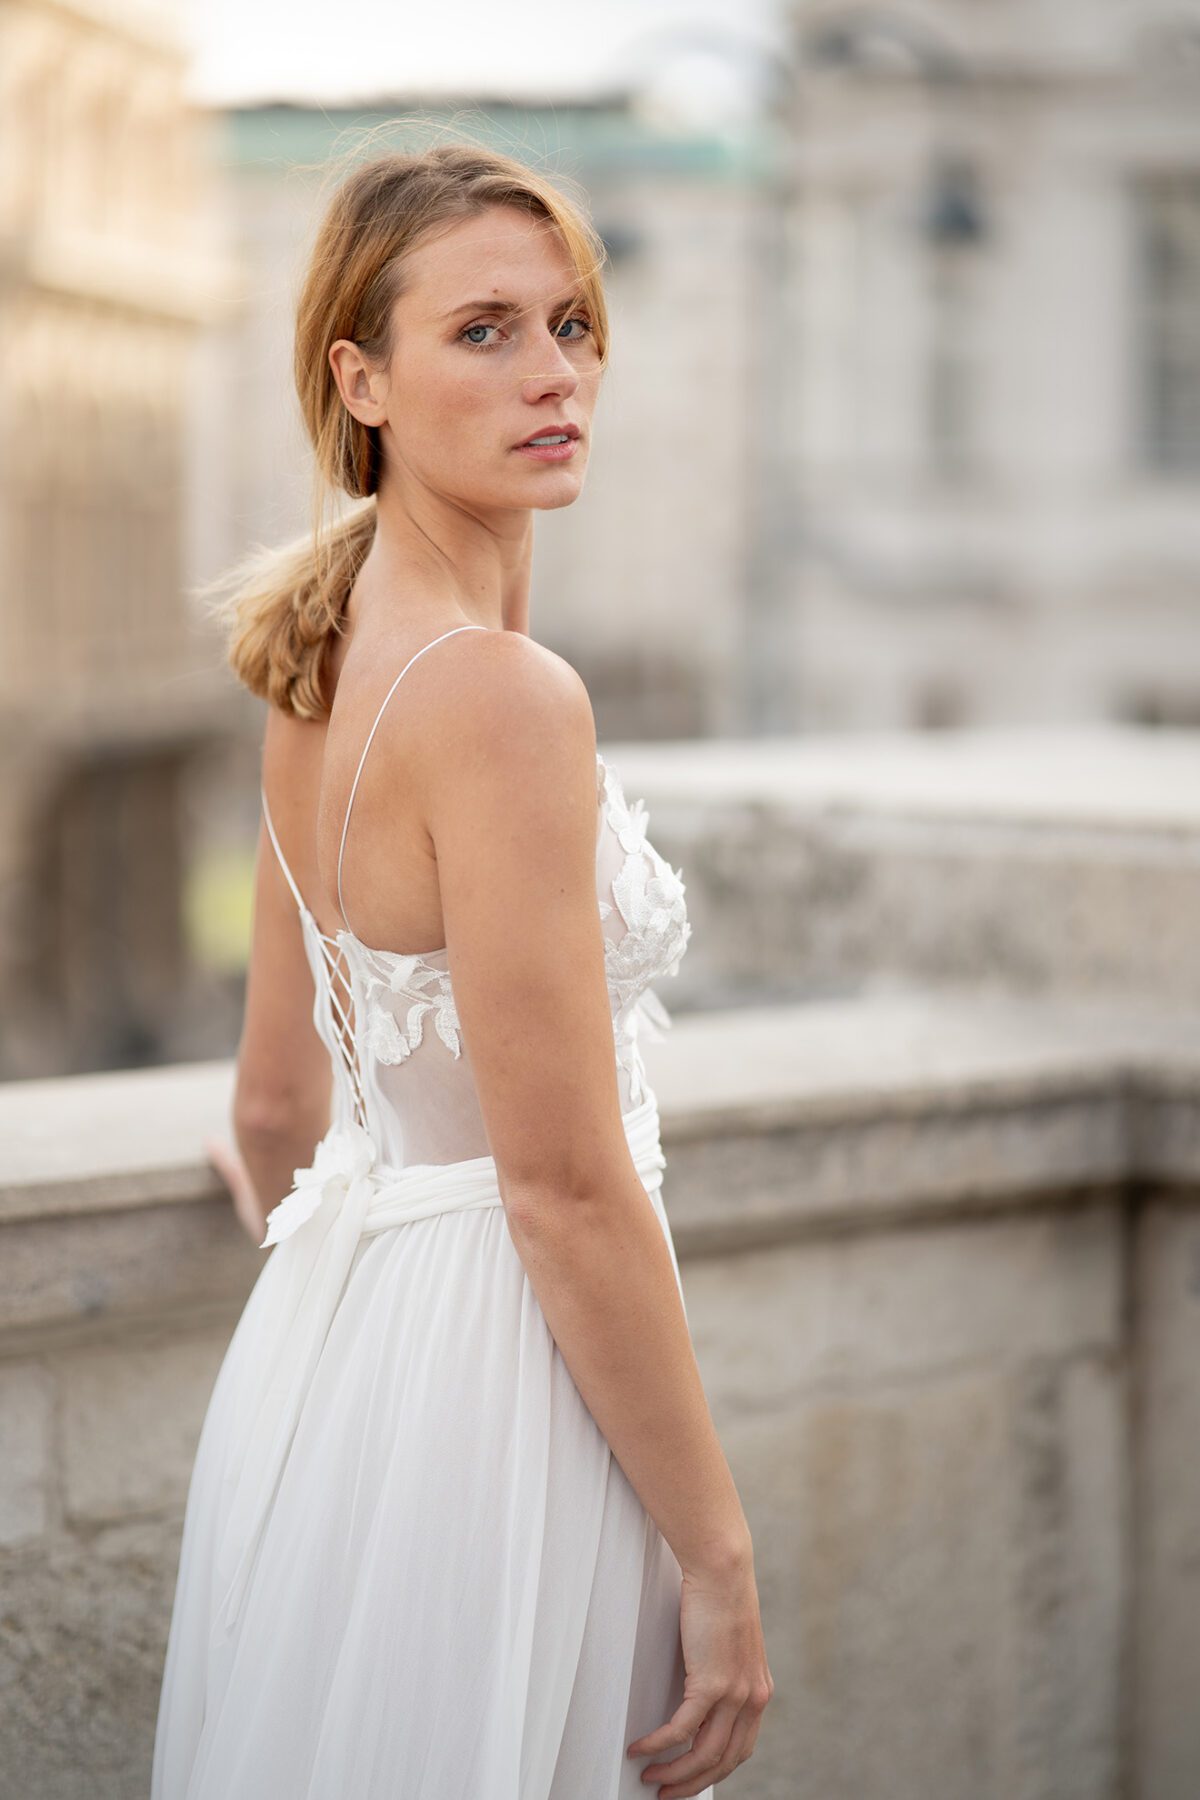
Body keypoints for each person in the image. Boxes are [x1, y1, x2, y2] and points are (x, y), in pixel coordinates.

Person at [152, 131, 773, 1800]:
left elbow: (277, 1106)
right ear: (359, 377)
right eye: (483, 332)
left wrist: (383, 1226)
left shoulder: (315, 662)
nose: (554, 373)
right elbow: (564, 1188)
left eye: (572, 325)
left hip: (336, 1366)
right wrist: (716, 1556)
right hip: (504, 1389)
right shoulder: (505, 699)